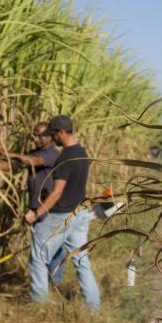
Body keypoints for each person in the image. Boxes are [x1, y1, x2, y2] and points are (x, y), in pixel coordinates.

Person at [25, 115, 100, 310]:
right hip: (80, 214)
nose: (53, 139)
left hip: (60, 216)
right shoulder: (82, 152)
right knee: (82, 262)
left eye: (53, 134)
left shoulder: (65, 157)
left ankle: (40, 306)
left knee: (39, 258)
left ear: (60, 132)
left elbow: (57, 192)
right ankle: (94, 308)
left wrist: (36, 213)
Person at [0, 122, 65, 283]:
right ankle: (45, 281)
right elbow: (13, 166)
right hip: (35, 207)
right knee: (43, 245)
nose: (35, 138)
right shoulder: (33, 153)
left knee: (54, 246)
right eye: (34, 135)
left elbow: (36, 161)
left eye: (39, 135)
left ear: (49, 136)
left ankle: (53, 281)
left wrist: (11, 154)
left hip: (48, 208)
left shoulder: (53, 153)